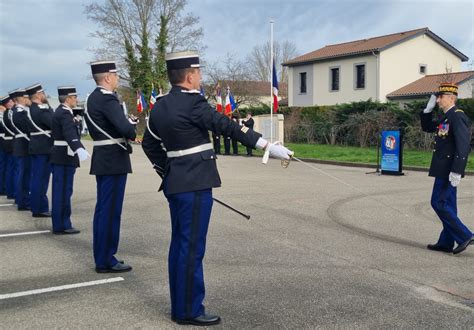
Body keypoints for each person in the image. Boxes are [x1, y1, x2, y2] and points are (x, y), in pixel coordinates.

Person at [142, 50, 294, 326]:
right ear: (189, 77)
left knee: (180, 246)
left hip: (175, 184)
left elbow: (150, 145)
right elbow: (226, 126)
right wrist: (267, 146)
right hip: (196, 184)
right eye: (198, 73)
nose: (200, 77)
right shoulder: (193, 104)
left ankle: (181, 306)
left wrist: (168, 170)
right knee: (191, 249)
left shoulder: (160, 107)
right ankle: (189, 310)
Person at [86, 60, 137, 273]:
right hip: (113, 159)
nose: (117, 79)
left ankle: (103, 256)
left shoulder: (93, 98)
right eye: (115, 75)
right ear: (107, 77)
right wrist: (132, 127)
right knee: (110, 211)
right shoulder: (107, 100)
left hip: (105, 158)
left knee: (104, 210)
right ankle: (106, 259)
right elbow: (125, 128)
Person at [420, 82, 473, 255]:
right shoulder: (447, 117)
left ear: (452, 98)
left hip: (449, 169)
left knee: (439, 203)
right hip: (443, 168)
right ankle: (446, 242)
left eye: (440, 97)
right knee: (448, 204)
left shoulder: (457, 116)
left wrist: (458, 170)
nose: (437, 101)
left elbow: (463, 145)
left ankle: (465, 235)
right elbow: (428, 127)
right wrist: (426, 111)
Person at [50, 86, 89, 235]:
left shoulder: (60, 111)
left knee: (60, 191)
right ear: (67, 99)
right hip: (64, 156)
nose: (76, 99)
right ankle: (63, 224)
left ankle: (59, 223)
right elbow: (70, 134)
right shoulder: (65, 113)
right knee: (64, 191)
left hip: (60, 155)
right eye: (74, 97)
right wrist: (79, 149)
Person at [26, 83, 53, 217]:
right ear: (37, 95)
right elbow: (53, 123)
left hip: (37, 146)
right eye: (42, 93)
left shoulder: (31, 110)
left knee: (37, 178)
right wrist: (49, 109)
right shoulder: (41, 110)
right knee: (41, 180)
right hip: (43, 147)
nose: (44, 95)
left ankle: (37, 206)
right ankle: (40, 208)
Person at [10, 89, 32, 211]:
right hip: (23, 146)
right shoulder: (19, 112)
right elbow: (27, 128)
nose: (27, 99)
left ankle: (22, 199)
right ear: (21, 99)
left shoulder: (17, 111)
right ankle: (24, 201)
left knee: (22, 175)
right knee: (24, 176)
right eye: (25, 97)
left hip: (21, 145)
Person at [0, 95, 16, 200]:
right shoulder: (5, 115)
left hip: (4, 140)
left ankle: (4, 188)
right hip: (5, 140)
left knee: (5, 166)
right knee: (6, 166)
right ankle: (3, 188)